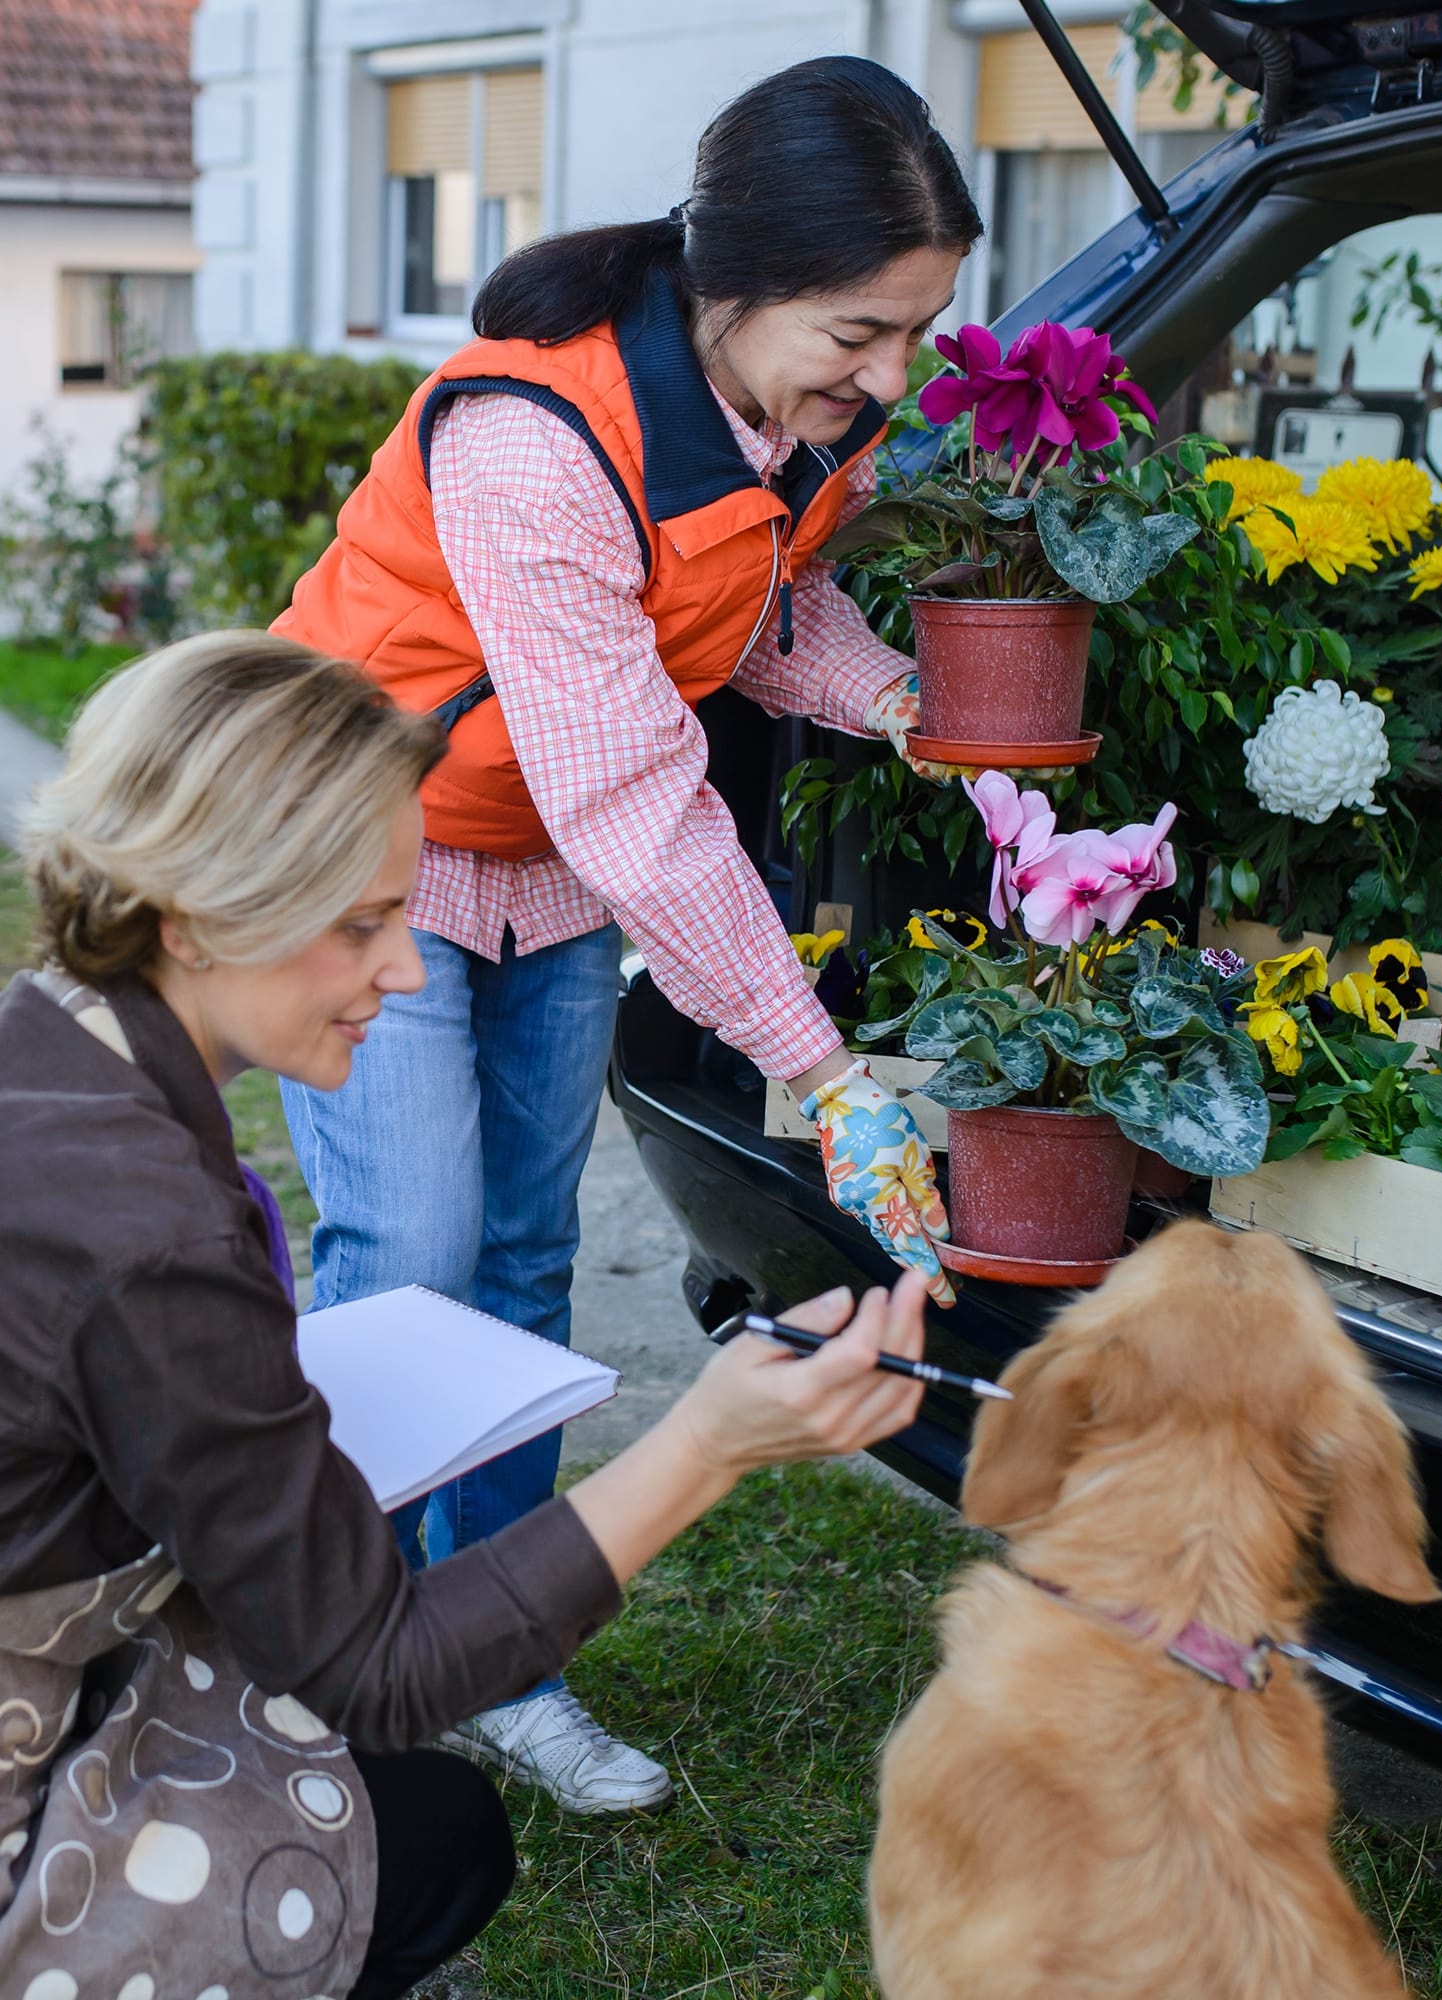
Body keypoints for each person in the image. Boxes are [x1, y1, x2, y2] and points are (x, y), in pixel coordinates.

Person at [0, 632, 933, 1999]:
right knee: (437, 1831)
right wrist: (709, 1444)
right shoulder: (152, 1236)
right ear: (193, 912)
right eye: (364, 921)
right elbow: (378, 1672)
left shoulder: (49, 1037)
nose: (413, 971)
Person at [269, 53, 981, 1809]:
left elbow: (749, 609)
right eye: (861, 330)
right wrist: (817, 1070)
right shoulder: (533, 434)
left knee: (517, 1270)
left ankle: (498, 1656)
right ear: (731, 278)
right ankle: (321, 1675)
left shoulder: (778, 410)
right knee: (409, 1255)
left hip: (554, 887)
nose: (891, 380)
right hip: (377, 865)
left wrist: (916, 708)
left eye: (919, 331)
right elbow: (631, 791)